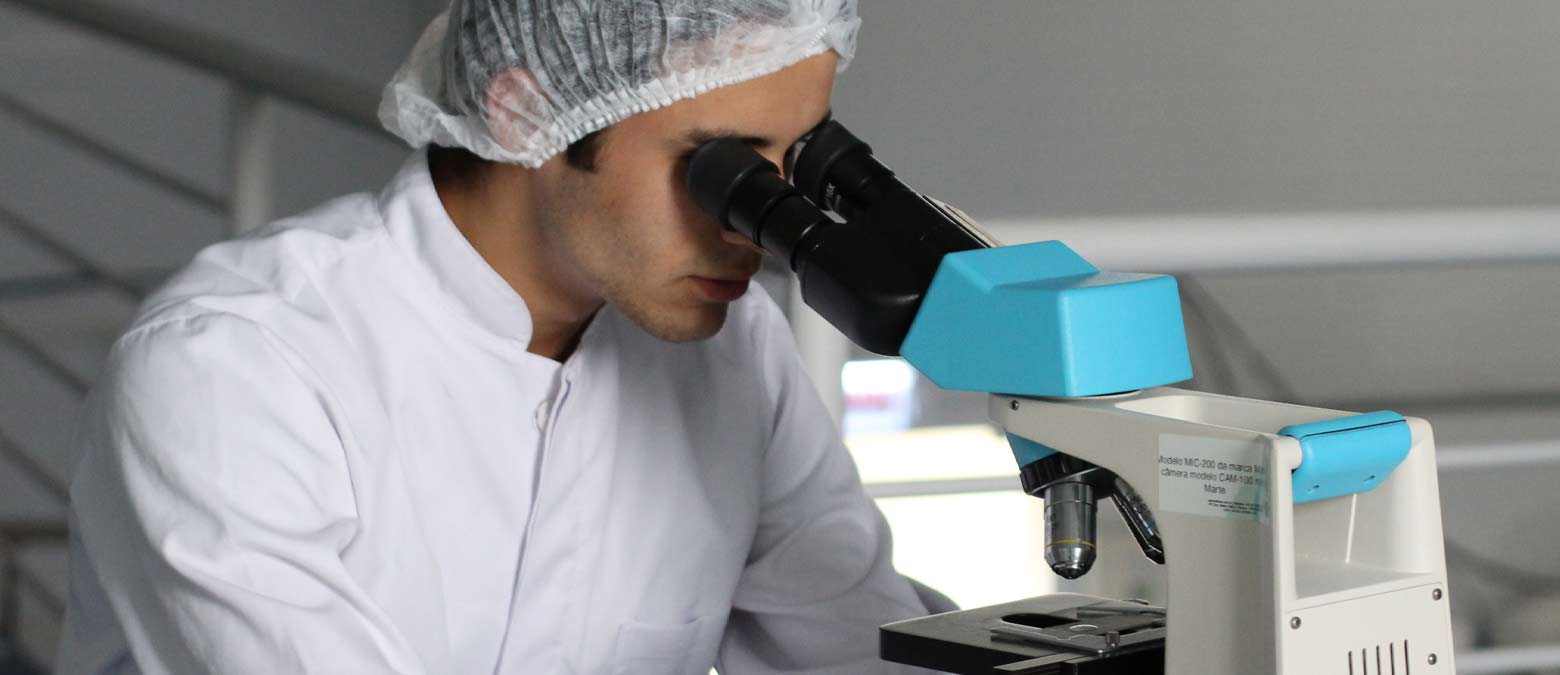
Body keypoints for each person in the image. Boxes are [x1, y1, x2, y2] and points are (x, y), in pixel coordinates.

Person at [56, 1, 946, 673]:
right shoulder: (239, 366)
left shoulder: (735, 354)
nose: (754, 226)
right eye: (721, 168)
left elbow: (855, 641)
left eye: (793, 165)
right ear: (527, 113)